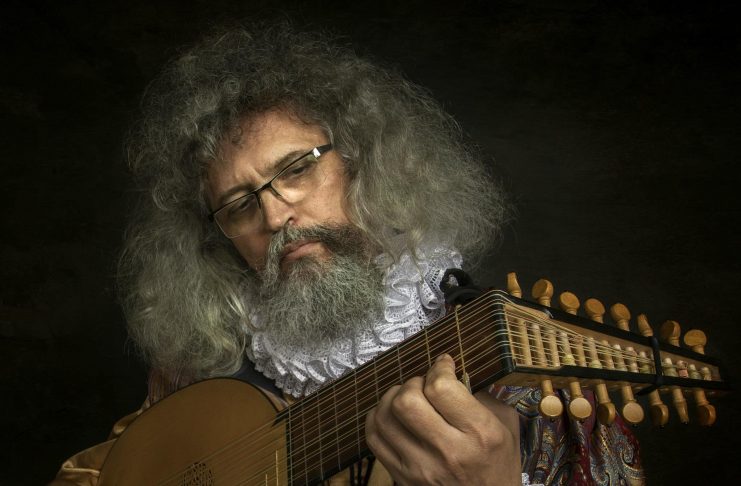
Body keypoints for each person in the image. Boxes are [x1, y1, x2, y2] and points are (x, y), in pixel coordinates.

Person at [52, 24, 643, 486]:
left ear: (363, 161)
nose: (275, 216)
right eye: (238, 205)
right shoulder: (193, 383)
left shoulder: (534, 381)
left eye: (296, 168)